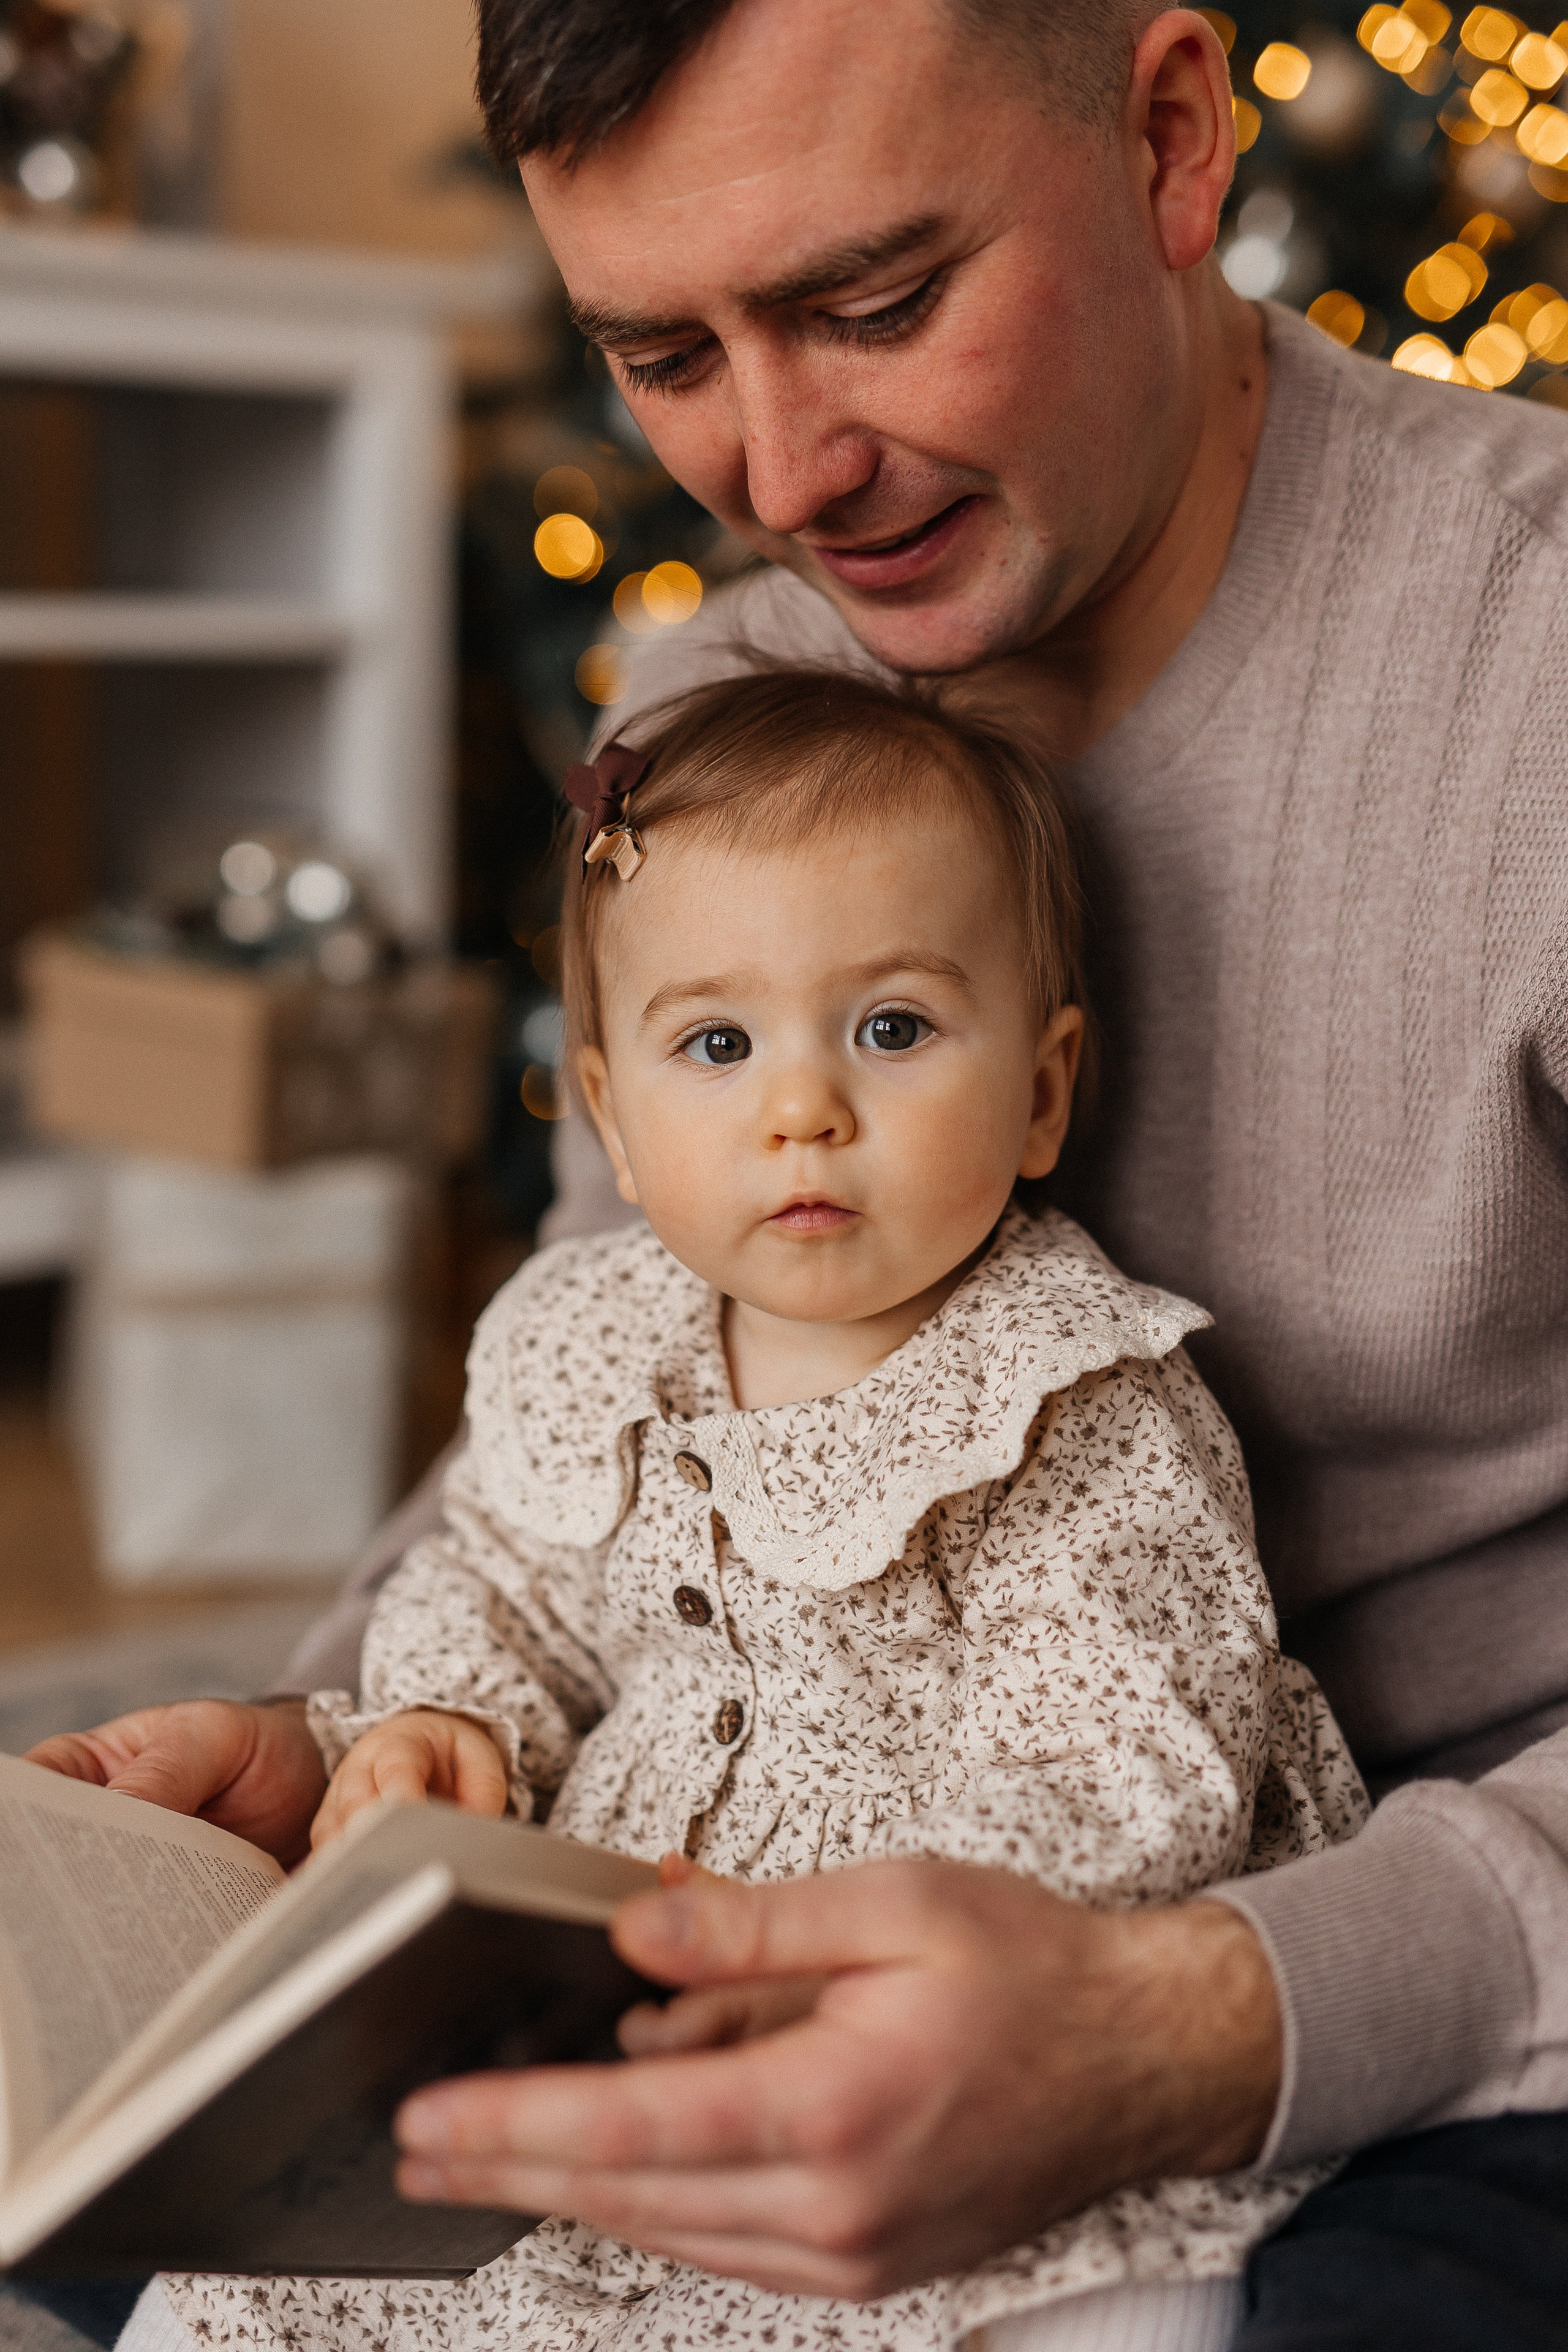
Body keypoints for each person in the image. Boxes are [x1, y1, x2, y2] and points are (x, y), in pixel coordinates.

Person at [21, 1, 1568, 2344]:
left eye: (877, 304)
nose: (784, 472)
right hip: (730, 1923)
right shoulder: (723, 724)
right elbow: (603, 1425)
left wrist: (1195, 2024)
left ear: (1170, 141)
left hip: (1443, 1982)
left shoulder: (1532, 671)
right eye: (661, 352)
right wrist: (337, 1752)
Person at [140, 669, 1362, 2352]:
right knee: (273, 2272)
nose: (805, 1108)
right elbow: (501, 1582)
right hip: (611, 1979)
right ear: (616, 1124)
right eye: (717, 1044)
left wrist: (848, 1940)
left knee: (1049, 2303)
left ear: (1042, 1091)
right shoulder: (601, 1340)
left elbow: (1142, 1764)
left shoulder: (1076, 1399)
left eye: (894, 1029)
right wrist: (445, 1721)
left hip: (929, 2004)